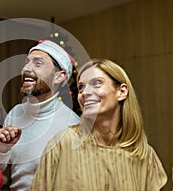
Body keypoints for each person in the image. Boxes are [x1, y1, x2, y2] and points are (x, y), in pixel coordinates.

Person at [30, 59, 168, 190]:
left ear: (122, 91)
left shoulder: (144, 155)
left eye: (96, 83)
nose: (85, 93)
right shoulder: (62, 144)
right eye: (81, 87)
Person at [0, 40, 80, 191]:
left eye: (37, 64)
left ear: (59, 76)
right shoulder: (15, 113)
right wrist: (1, 149)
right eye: (26, 62)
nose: (26, 69)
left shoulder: (72, 125)